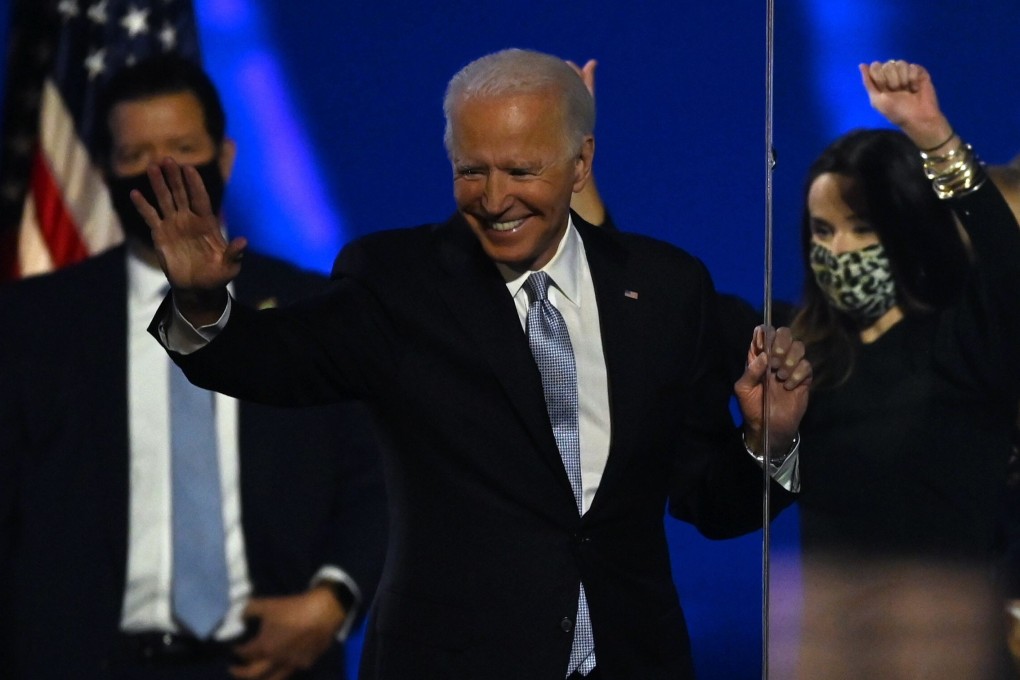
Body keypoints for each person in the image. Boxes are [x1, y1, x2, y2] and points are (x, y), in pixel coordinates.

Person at [137, 48, 811, 680]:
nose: (494, 199)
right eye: (472, 171)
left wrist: (766, 442)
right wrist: (201, 303)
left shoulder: (665, 289)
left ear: (581, 165)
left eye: (522, 172)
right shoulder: (398, 281)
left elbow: (708, 500)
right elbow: (269, 360)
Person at [0, 55, 387, 680]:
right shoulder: (27, 325)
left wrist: (334, 600)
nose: (164, 175)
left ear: (225, 158)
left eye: (183, 148)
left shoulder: (315, 310)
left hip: (276, 665)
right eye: (139, 155)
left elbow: (378, 479)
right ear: (104, 171)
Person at [782, 61, 1020, 679]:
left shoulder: (965, 344)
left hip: (947, 650)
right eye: (822, 229)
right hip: (832, 651)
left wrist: (933, 133)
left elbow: (1007, 268)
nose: (840, 251)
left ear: (906, 230)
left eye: (863, 228)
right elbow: (653, 307)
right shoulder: (798, 358)